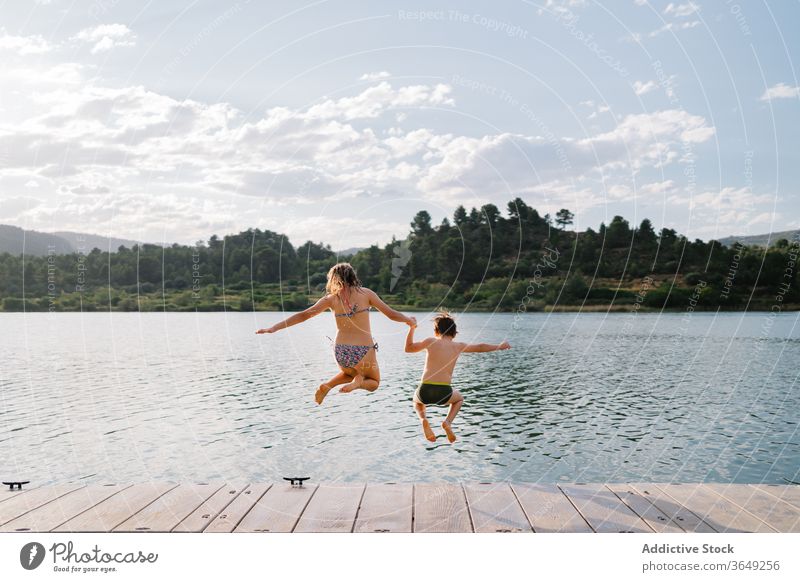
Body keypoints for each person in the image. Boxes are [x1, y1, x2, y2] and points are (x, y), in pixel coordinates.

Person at [256, 262, 415, 404]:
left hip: (340, 352)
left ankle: (328, 385)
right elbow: (392, 314)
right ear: (353, 276)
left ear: (333, 279)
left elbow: (303, 315)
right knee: (373, 383)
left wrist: (274, 328)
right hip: (363, 351)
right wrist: (409, 320)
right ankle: (358, 382)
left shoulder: (331, 299)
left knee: (349, 372)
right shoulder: (366, 294)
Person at [405, 312, 511, 443]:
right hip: (444, 392)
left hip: (425, 389)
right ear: (455, 333)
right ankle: (448, 422)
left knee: (416, 401)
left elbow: (408, 349)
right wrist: (499, 346)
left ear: (436, 331)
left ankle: (423, 419)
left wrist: (412, 328)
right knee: (459, 399)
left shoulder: (430, 342)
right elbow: (480, 347)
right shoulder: (458, 346)